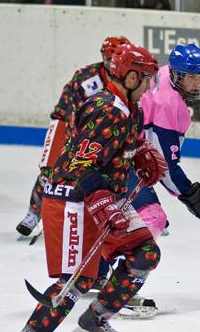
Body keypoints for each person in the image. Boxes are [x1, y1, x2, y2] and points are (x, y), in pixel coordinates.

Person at [3, 43, 165, 332]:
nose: (150, 85)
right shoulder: (104, 108)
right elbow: (81, 163)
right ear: (131, 76)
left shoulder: (131, 110)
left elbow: (121, 149)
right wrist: (104, 202)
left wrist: (140, 156)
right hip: (72, 198)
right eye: (147, 78)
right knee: (76, 279)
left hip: (105, 197)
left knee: (145, 253)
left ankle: (97, 317)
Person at [94, 44, 200, 315]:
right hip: (122, 160)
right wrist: (190, 194)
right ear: (176, 75)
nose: (196, 82)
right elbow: (163, 165)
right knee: (152, 217)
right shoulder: (168, 105)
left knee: (123, 216)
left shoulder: (162, 74)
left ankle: (98, 273)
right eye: (190, 76)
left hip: (112, 152)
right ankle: (121, 290)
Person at [16, 36, 130, 237]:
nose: (111, 65)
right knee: (49, 170)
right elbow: (69, 111)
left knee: (117, 170)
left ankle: (139, 210)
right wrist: (68, 141)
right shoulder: (86, 79)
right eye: (108, 59)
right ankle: (33, 213)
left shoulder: (128, 83)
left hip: (98, 135)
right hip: (67, 128)